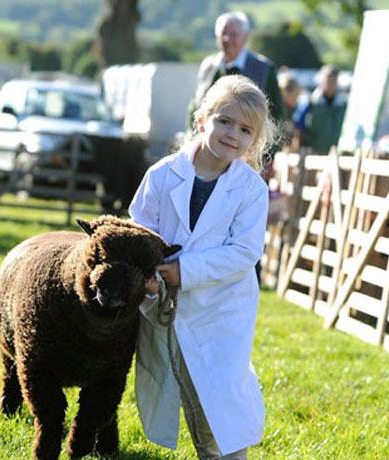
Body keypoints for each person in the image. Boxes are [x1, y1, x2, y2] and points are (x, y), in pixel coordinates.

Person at [130, 75, 273, 459]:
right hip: (164, 306)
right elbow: (139, 231)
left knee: (220, 403)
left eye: (245, 130)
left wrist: (185, 271)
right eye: (224, 121)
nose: (232, 134)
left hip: (221, 310)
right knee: (181, 389)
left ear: (253, 141)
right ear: (201, 120)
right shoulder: (162, 176)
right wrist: (150, 277)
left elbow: (244, 251)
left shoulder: (251, 190)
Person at [188, 11, 284, 134]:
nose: (227, 38)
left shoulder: (264, 69)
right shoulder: (208, 66)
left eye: (233, 34)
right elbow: (194, 107)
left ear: (246, 36)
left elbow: (277, 116)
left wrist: (264, 152)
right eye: (223, 33)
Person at [293, 64, 347, 154]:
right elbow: (299, 128)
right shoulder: (310, 102)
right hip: (312, 152)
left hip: (336, 153)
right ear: (322, 81)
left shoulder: (343, 105)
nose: (330, 85)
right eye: (328, 81)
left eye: (333, 81)